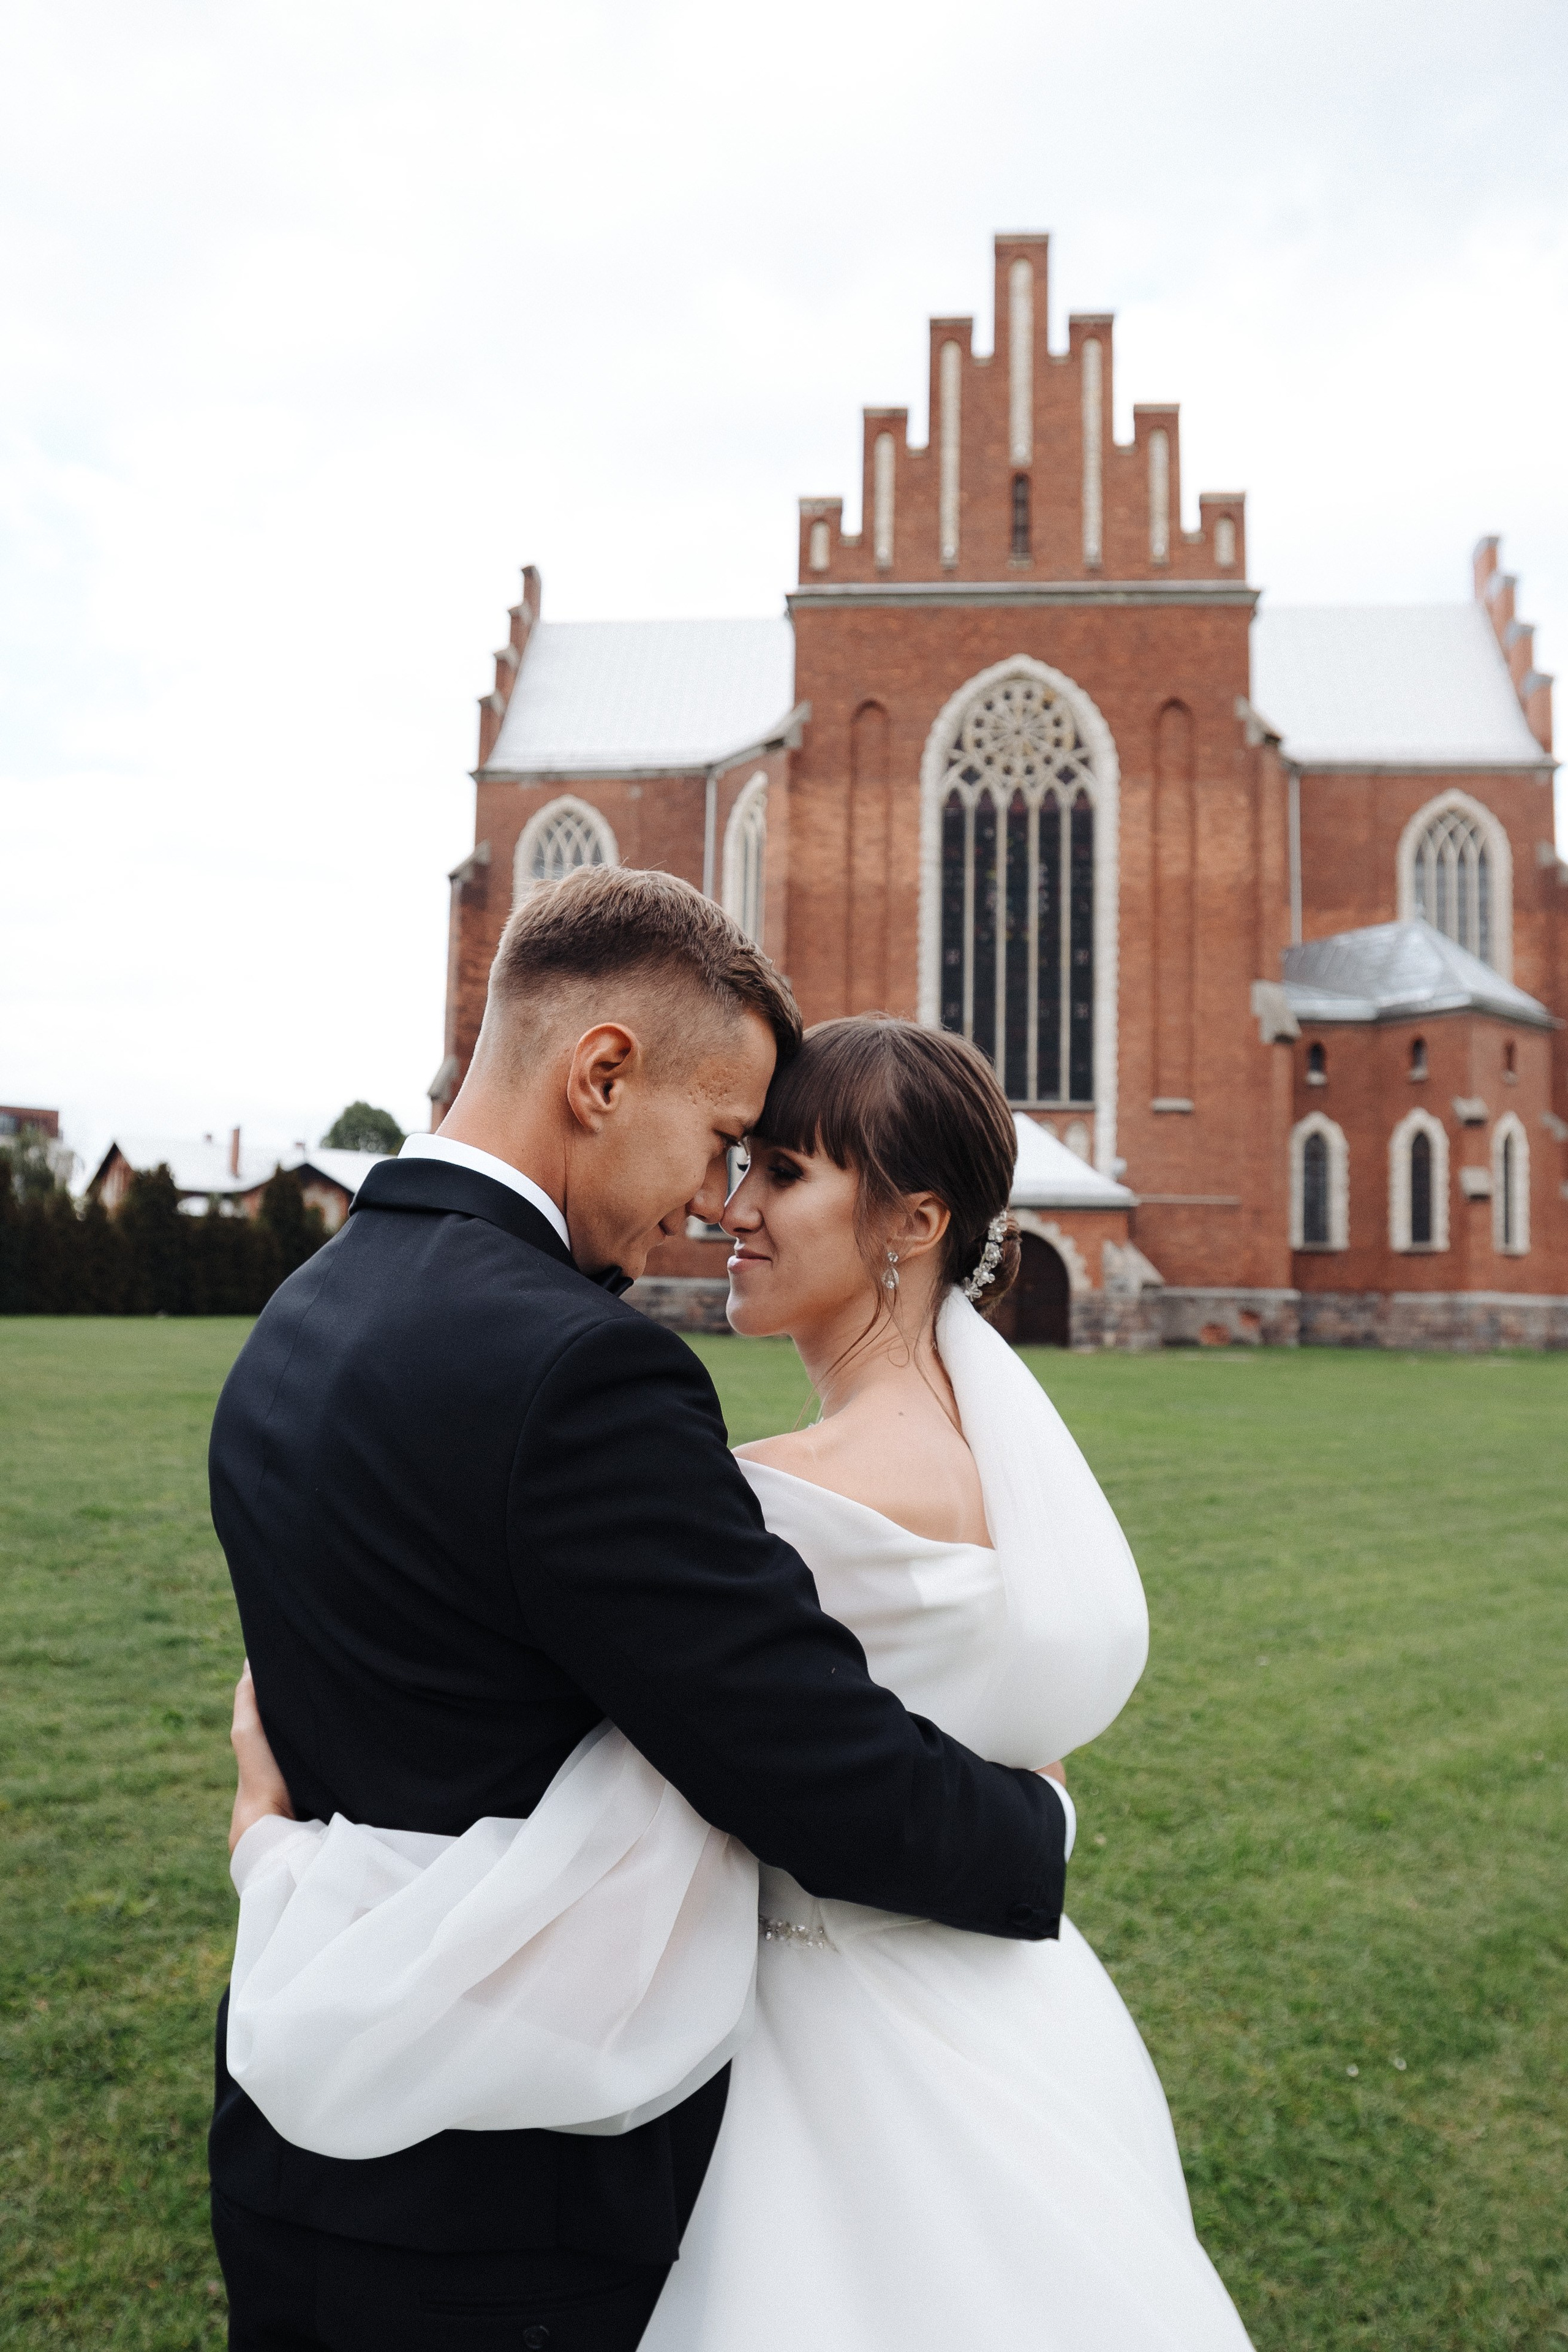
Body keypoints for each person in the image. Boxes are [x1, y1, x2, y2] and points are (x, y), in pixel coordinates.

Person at [225, 1009, 1255, 2348]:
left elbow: (670, 1783)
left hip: (818, 2040)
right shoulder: (993, 1470)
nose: (730, 1209)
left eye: (777, 1171)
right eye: (736, 1159)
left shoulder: (768, 1494)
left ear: (908, 1222)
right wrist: (1038, 1808)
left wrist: (279, 1856)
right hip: (1015, 2014)